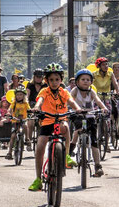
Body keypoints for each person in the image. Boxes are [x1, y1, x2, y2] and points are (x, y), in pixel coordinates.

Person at [28, 63, 82, 192]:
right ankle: (38, 179)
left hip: (60, 121)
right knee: (40, 147)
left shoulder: (64, 92)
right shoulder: (44, 91)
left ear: (61, 80)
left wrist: (78, 109)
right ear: (46, 81)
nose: (54, 82)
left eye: (57, 79)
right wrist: (36, 108)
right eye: (51, 80)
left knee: (66, 128)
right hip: (47, 122)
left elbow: (71, 101)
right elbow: (40, 100)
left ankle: (67, 156)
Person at [69, 69, 109, 177]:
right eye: (83, 79)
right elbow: (69, 99)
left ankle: (98, 166)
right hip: (77, 115)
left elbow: (98, 101)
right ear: (77, 82)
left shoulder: (91, 92)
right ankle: (70, 151)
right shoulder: (75, 91)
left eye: (88, 79)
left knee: (94, 141)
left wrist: (104, 108)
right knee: (78, 130)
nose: (85, 81)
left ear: (91, 82)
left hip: (90, 116)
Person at [93, 57, 119, 152]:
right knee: (96, 118)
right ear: (99, 66)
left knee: (108, 121)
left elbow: (115, 84)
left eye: (107, 64)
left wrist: (118, 92)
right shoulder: (94, 75)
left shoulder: (110, 74)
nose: (106, 66)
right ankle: (97, 134)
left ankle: (106, 143)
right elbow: (90, 85)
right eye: (103, 65)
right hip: (97, 98)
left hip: (107, 98)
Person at [5, 85, 31, 159]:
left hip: (23, 120)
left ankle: (27, 139)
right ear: (15, 95)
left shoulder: (25, 103)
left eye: (21, 95)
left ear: (24, 96)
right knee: (13, 136)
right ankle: (9, 152)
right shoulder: (14, 103)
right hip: (15, 120)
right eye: (17, 95)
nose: (19, 96)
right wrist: (8, 113)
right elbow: (10, 109)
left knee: (26, 126)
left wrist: (31, 113)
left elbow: (29, 110)